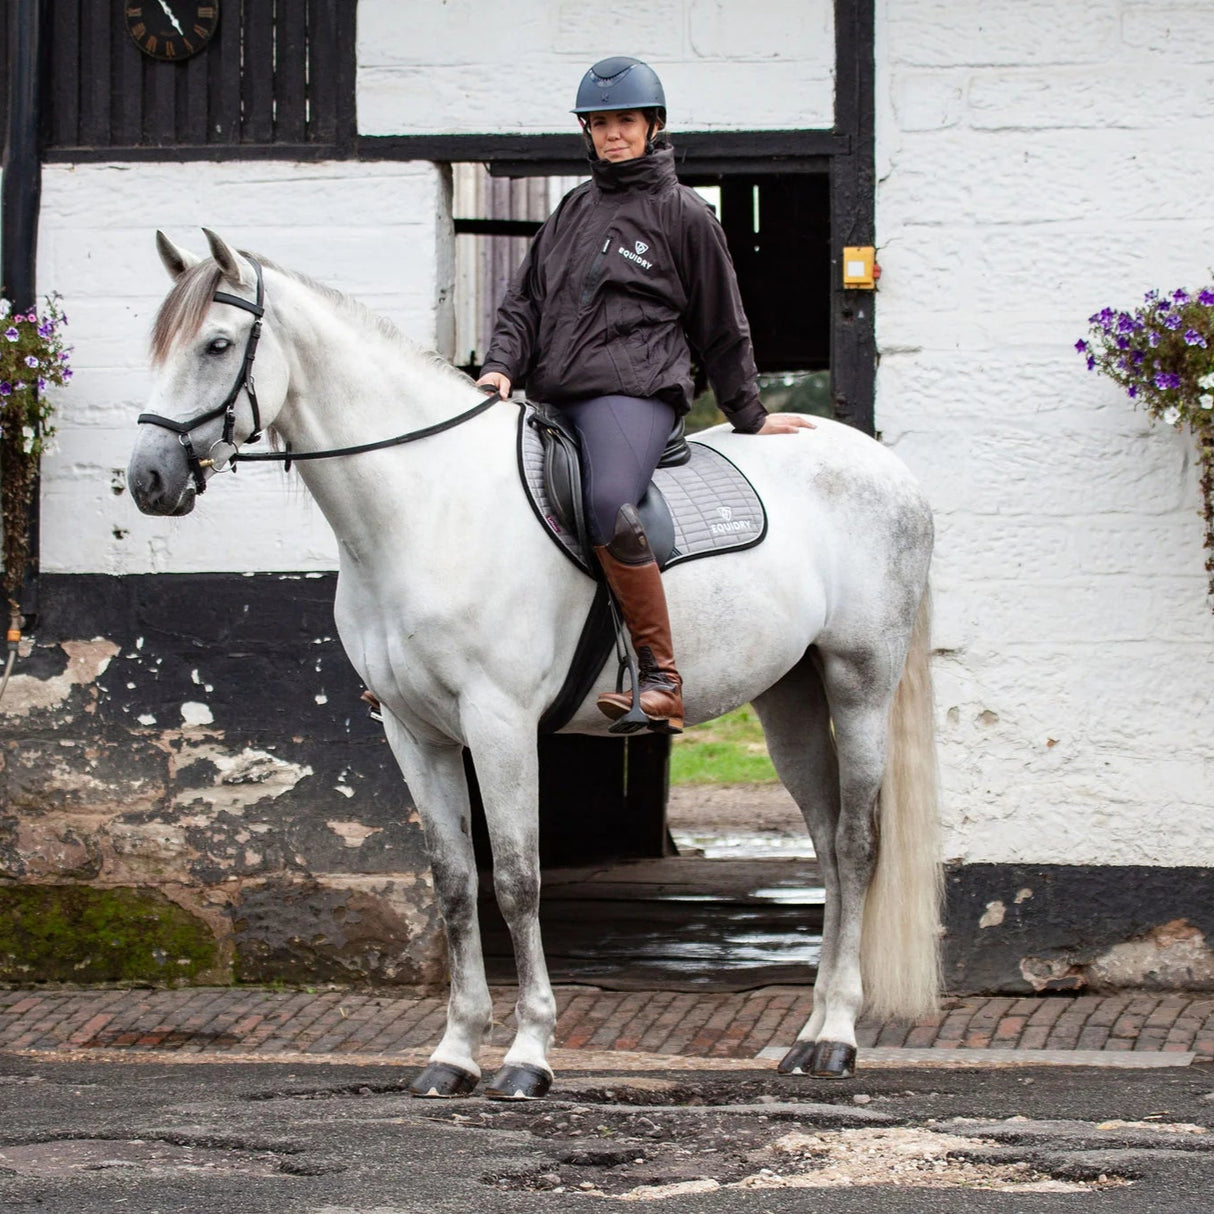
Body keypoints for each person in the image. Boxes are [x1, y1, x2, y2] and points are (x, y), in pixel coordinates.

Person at [477, 56, 813, 734]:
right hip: (551, 393)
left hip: (634, 392)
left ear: (653, 126)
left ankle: (661, 678)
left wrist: (749, 412)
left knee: (607, 501)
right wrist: (498, 369)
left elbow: (722, 321)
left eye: (624, 122)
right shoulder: (572, 210)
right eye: (599, 124)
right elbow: (524, 303)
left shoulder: (683, 215)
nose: (612, 135)